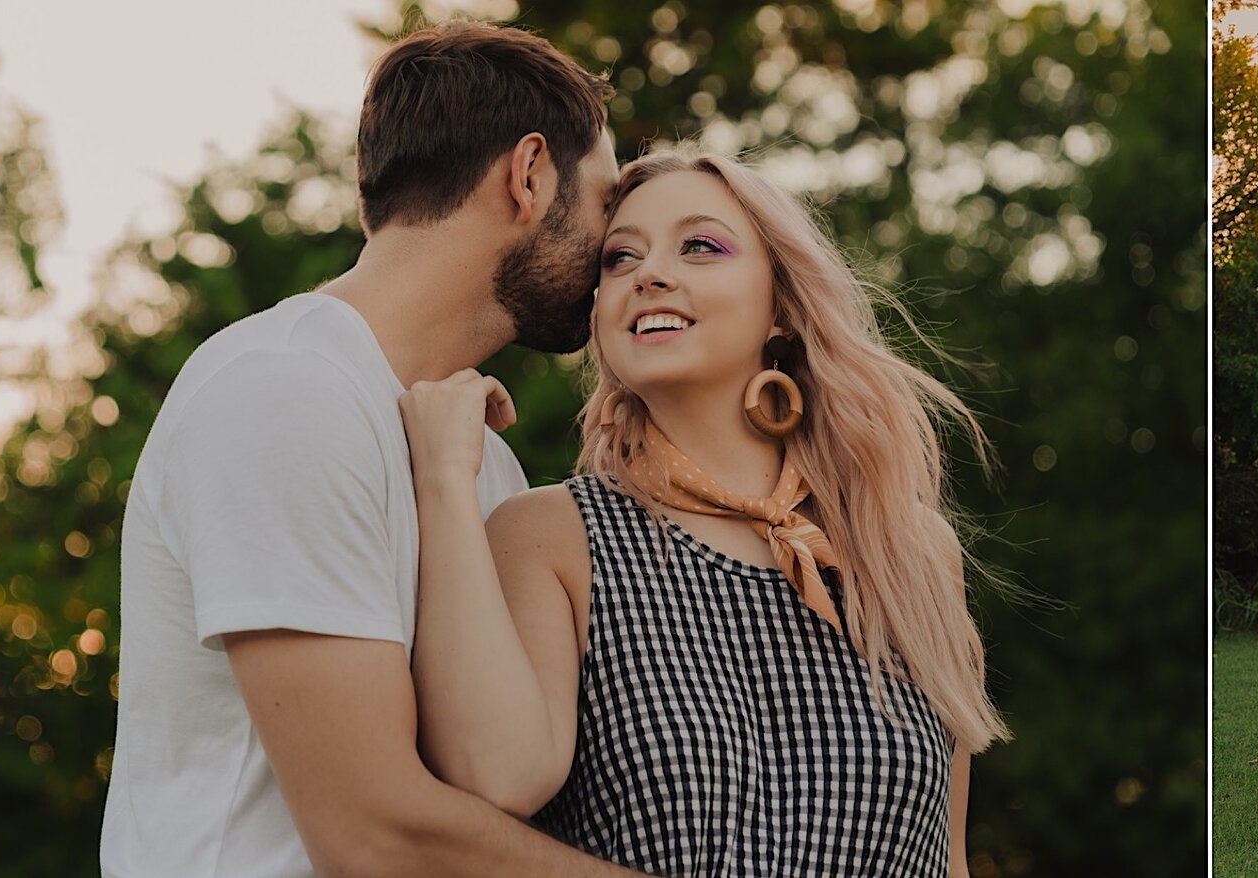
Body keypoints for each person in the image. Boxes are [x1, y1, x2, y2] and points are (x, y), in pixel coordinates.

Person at [100, 21, 649, 876]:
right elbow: (371, 832)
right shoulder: (283, 393)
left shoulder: (485, 466)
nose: (617, 252)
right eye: (608, 201)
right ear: (530, 175)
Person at [400, 152, 1007, 876]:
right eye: (620, 259)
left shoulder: (907, 548)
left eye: (700, 246)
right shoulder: (551, 536)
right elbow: (495, 775)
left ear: (781, 304)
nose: (649, 274)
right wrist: (441, 479)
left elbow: (948, 861)